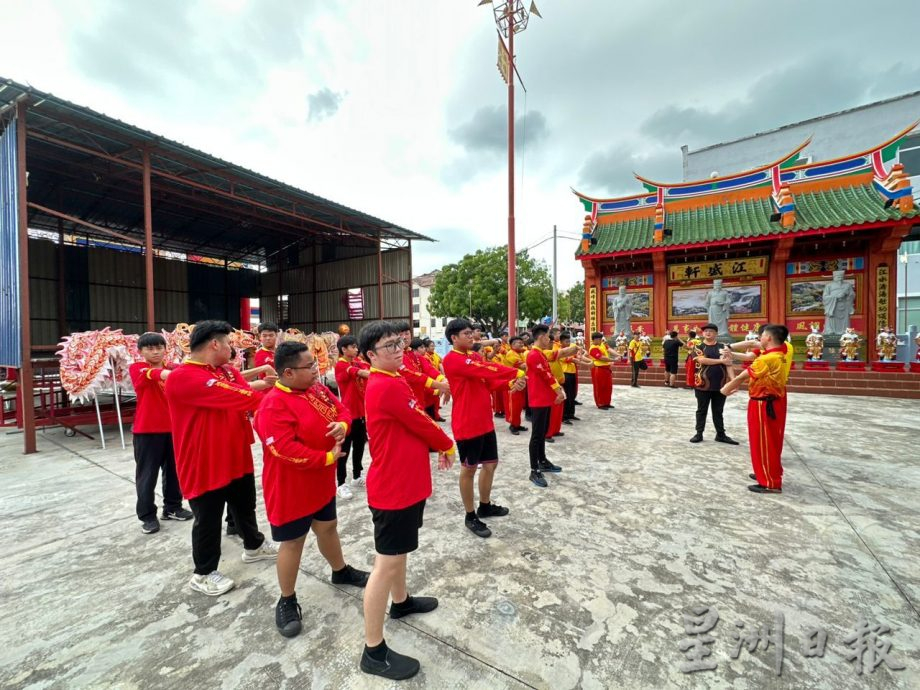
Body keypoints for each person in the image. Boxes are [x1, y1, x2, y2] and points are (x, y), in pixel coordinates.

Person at [357, 321, 457, 681]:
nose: (399, 349)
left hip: (407, 483)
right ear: (371, 355)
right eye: (388, 346)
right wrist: (445, 443)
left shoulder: (394, 378)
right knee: (385, 564)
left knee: (400, 553)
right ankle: (373, 650)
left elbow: (414, 423)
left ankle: (401, 603)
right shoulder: (384, 386)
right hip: (393, 490)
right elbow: (420, 421)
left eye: (399, 342)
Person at [254, 341, 370, 637]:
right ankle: (287, 599)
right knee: (293, 542)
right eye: (311, 366)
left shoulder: (317, 390)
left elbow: (342, 410)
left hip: (319, 481)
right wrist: (328, 457)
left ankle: (340, 570)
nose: (317, 370)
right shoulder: (271, 405)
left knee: (328, 527)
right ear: (289, 372)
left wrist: (343, 427)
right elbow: (284, 449)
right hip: (290, 486)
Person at [165, 320, 278, 597]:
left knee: (244, 503)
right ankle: (203, 573)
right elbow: (247, 397)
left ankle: (253, 546)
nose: (232, 350)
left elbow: (245, 390)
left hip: (235, 451)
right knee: (209, 516)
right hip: (205, 458)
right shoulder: (184, 377)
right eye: (229, 344)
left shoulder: (225, 371)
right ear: (214, 344)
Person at [442, 318, 526, 539]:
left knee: (490, 464)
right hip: (467, 423)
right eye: (467, 334)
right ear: (454, 338)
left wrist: (509, 384)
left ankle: (485, 506)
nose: (472, 336)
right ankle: (470, 515)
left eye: (472, 333)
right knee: (469, 469)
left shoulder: (474, 356)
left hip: (484, 421)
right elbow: (489, 369)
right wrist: (513, 374)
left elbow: (488, 382)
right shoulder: (452, 360)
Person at [129, 332, 193, 534]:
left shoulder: (172, 367)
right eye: (149, 348)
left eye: (159, 347)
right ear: (140, 352)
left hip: (174, 429)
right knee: (147, 475)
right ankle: (147, 516)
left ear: (166, 349)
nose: (155, 352)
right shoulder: (138, 368)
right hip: (147, 431)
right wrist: (177, 373)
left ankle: (172, 507)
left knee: (175, 471)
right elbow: (154, 375)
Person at [721, 324, 791, 493]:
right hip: (772, 400)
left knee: (763, 442)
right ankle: (766, 472)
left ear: (768, 338)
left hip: (764, 403)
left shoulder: (768, 358)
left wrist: (724, 390)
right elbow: (752, 349)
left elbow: (743, 376)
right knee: (769, 441)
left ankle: (770, 482)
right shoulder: (780, 352)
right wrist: (731, 351)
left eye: (762, 336)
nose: (759, 339)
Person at [526, 325, 566, 487]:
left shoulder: (540, 354)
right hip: (538, 400)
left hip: (545, 399)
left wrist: (557, 391)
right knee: (536, 435)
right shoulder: (533, 355)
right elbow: (547, 375)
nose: (550, 339)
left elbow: (549, 375)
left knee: (542, 432)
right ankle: (534, 470)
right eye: (548, 336)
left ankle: (542, 460)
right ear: (541, 337)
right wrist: (559, 391)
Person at [688, 323, 738, 445]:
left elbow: (729, 365)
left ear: (716, 333)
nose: (707, 333)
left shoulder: (723, 347)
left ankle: (720, 434)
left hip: (720, 385)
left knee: (718, 411)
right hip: (702, 384)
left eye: (710, 331)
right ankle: (699, 433)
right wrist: (721, 360)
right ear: (703, 333)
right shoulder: (698, 347)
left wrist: (734, 381)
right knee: (701, 410)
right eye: (705, 331)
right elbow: (702, 360)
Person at [334, 335, 370, 500]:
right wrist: (374, 373)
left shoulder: (357, 361)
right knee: (344, 450)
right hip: (348, 414)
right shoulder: (341, 365)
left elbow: (367, 366)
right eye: (353, 347)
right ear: (344, 349)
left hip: (361, 412)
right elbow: (360, 372)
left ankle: (357, 475)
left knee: (360, 446)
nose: (356, 349)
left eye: (357, 347)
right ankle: (341, 483)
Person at [503, 336, 528, 435]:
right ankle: (513, 425)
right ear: (512, 345)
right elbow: (523, 366)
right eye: (519, 343)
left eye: (522, 343)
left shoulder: (520, 353)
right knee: (513, 404)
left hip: (521, 381)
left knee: (520, 404)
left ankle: (517, 424)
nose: (522, 344)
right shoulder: (510, 354)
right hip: (512, 383)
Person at [822, 269, 856, 335]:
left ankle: (845, 331)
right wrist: (835, 297)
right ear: (834, 278)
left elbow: (852, 294)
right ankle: (830, 331)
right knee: (831, 319)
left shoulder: (847, 285)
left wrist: (847, 294)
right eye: (838, 277)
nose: (840, 279)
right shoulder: (829, 285)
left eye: (841, 277)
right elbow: (825, 297)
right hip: (833, 306)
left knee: (845, 320)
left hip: (844, 305)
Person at [587, 331, 615, 409]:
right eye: (598, 339)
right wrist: (613, 360)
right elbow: (601, 358)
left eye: (600, 339)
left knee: (608, 387)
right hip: (598, 369)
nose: (600, 340)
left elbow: (609, 349)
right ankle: (600, 403)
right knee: (600, 387)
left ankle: (606, 402)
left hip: (606, 369)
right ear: (594, 340)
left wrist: (619, 355)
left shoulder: (602, 344)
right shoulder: (593, 348)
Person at [559, 332, 580, 423]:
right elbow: (570, 359)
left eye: (569, 341)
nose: (568, 343)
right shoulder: (560, 352)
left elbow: (577, 356)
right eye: (566, 342)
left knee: (572, 394)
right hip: (565, 373)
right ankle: (564, 416)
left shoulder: (570, 351)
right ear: (561, 342)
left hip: (572, 372)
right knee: (566, 395)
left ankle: (571, 413)